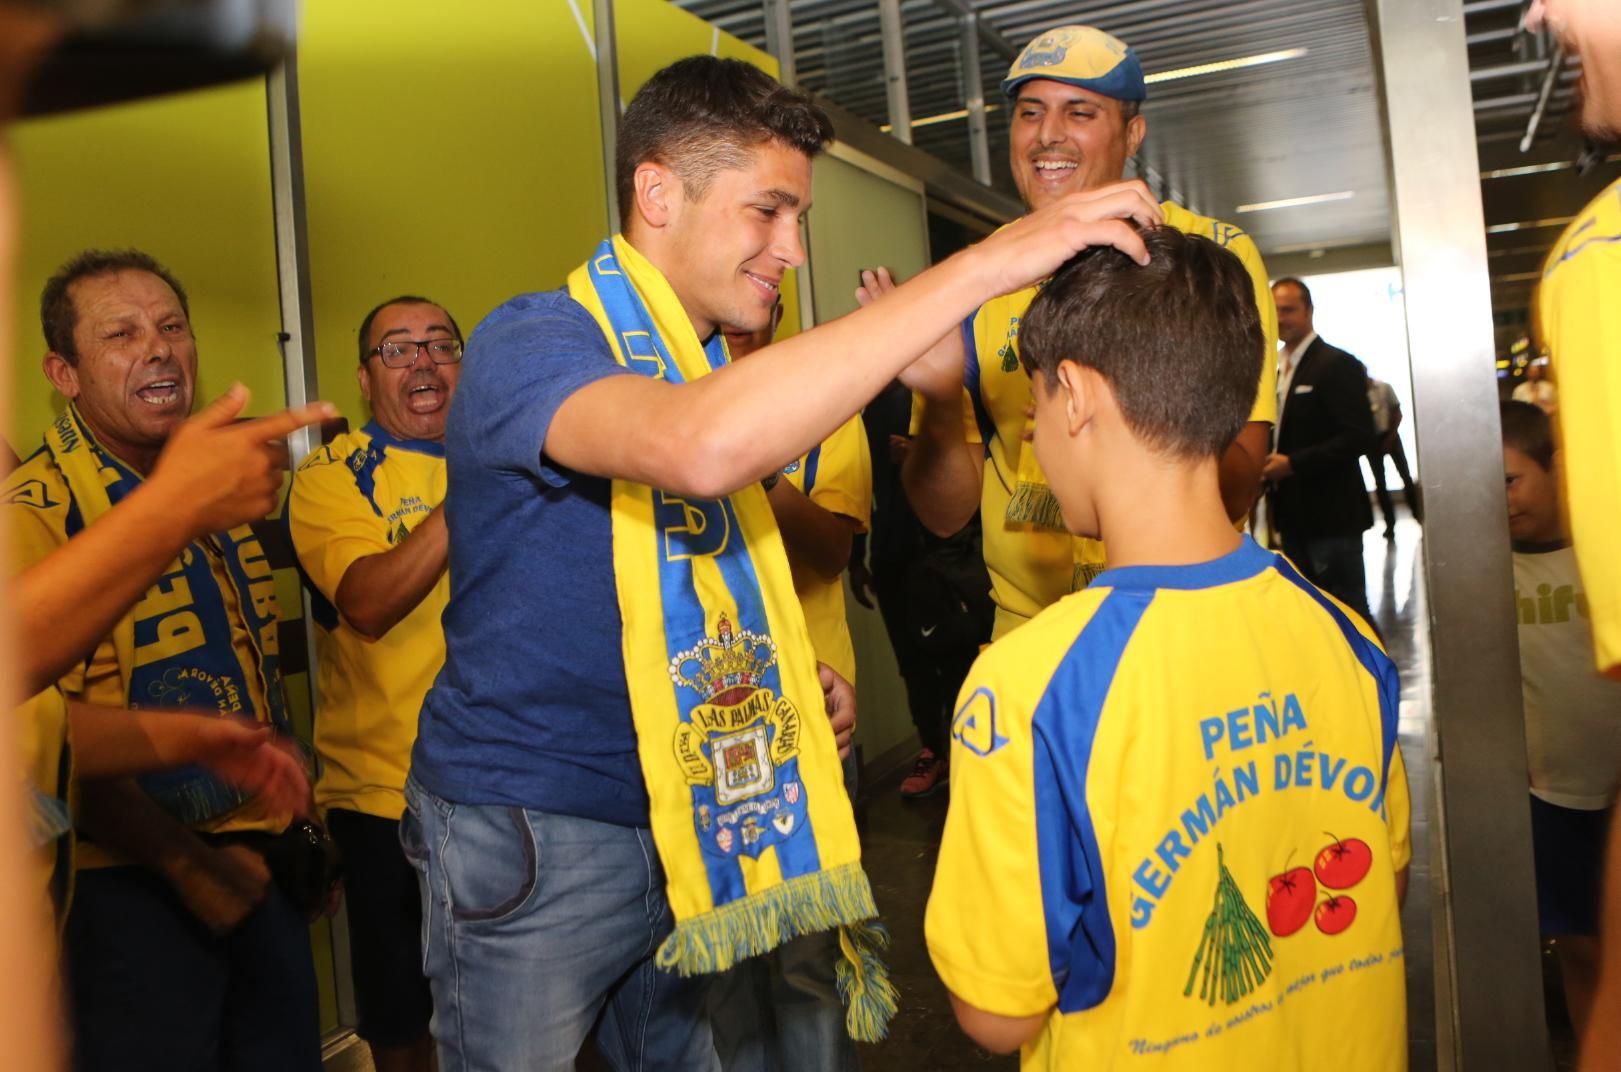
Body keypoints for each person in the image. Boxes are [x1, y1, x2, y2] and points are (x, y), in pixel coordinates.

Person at [403, 53, 1162, 1072]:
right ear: (657, 190)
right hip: (538, 828)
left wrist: (779, 685)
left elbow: (670, 583)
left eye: (797, 219)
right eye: (768, 212)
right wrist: (990, 262)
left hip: (693, 810)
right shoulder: (534, 340)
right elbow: (698, 446)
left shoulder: (704, 360)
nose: (792, 250)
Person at [925, 225, 1410, 1069]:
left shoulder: (1029, 688)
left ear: (1073, 397)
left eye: (1035, 407)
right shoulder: (1346, 637)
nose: (1033, 438)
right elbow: (1384, 884)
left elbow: (995, 1013)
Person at [2, 248, 327, 1072]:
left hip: (264, 875)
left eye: (171, 327)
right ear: (63, 374)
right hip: (130, 894)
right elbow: (44, 729)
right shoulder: (34, 515)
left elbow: (256, 678)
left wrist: (301, 831)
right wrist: (189, 869)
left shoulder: (223, 486)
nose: (157, 348)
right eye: (121, 333)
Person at [896, 23, 1278, 643]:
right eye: (1029, 112)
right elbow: (944, 519)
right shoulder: (976, 276)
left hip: (1182, 617)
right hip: (1031, 632)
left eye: (1080, 112)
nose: (1049, 134)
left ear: (1132, 133)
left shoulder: (1208, 258)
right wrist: (940, 403)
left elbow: (1238, 482)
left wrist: (1116, 425)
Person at [286, 296, 462, 1072]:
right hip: (387, 796)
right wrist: (475, 492)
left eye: (440, 344)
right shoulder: (334, 476)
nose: (422, 361)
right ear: (365, 379)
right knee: (400, 1016)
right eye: (397, 349)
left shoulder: (529, 460)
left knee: (524, 996)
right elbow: (368, 603)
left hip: (515, 785)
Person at [709, 304, 867, 1072]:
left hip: (811, 715)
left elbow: (834, 549)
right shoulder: (662, 399)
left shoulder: (826, 401)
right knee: (721, 963)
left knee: (804, 961)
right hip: (702, 725)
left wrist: (751, 461)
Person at [1501, 400, 1621, 1044]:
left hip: (1614, 787)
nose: (1506, 501)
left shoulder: (1604, 553)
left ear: (1555, 469)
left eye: (1514, 479)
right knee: (1578, 949)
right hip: (1551, 794)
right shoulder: (1489, 572)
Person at [849, 381, 992, 799]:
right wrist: (857, 557)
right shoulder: (874, 401)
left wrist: (923, 458)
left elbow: (978, 462)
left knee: (964, 657)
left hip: (953, 552)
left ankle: (969, 751)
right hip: (895, 550)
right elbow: (861, 478)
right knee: (912, 662)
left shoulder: (954, 389)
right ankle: (933, 748)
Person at [1264, 277, 1378, 629]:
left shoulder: (1335, 364)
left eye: (1289, 310)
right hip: (1293, 518)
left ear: (1309, 311)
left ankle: (1374, 682)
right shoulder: (1278, 367)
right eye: (1274, 310)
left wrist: (1293, 464)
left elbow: (1359, 436)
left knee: (1349, 614)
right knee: (1314, 619)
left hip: (1332, 518)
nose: (1281, 318)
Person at [1365, 374, 1421, 539]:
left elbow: (1397, 411)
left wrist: (1391, 436)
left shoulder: (1384, 387)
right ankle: (1390, 524)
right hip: (1373, 441)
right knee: (1380, 483)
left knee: (1405, 476)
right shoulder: (1358, 394)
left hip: (1392, 437)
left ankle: (1417, 515)